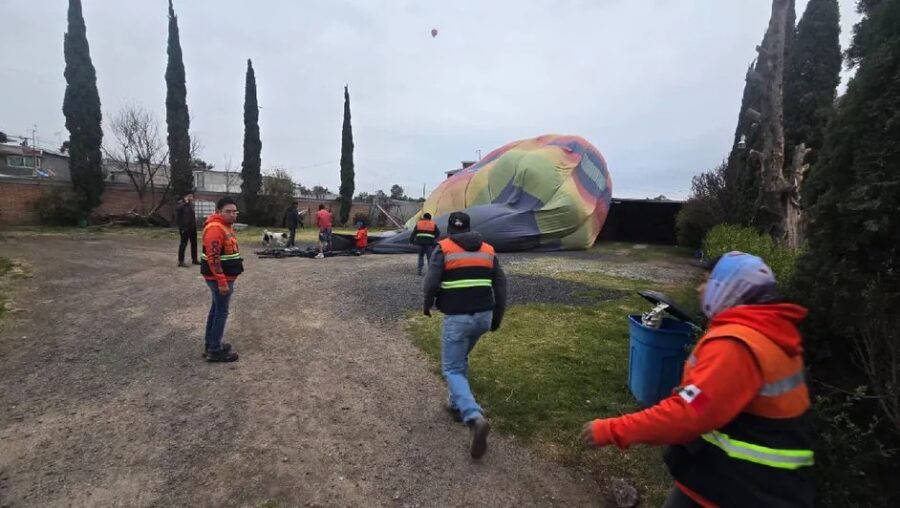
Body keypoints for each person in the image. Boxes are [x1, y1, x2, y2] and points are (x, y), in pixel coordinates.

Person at [580, 252, 814, 508]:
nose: (700, 288)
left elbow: (688, 413)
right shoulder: (767, 334)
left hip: (744, 490)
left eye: (707, 281)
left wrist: (611, 430)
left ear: (728, 288)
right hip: (729, 481)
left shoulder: (737, 345)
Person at [424, 211, 507, 459]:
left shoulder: (444, 247)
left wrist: (427, 304)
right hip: (483, 316)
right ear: (471, 228)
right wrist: (497, 317)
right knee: (460, 359)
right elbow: (501, 285)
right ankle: (454, 402)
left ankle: (472, 415)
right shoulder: (488, 250)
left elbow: (431, 281)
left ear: (450, 229)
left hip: (458, 318)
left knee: (451, 367)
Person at [199, 197, 243, 363]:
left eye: (234, 212)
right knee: (221, 312)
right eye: (228, 211)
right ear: (218, 212)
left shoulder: (225, 226)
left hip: (224, 277)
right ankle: (214, 350)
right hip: (219, 278)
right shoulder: (215, 228)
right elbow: (213, 257)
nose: (232, 215)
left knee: (216, 309)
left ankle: (211, 344)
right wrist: (222, 282)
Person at [175, 191, 199, 267]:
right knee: (183, 244)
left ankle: (194, 259)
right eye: (189, 196)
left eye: (192, 196)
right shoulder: (181, 203)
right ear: (186, 196)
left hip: (192, 227)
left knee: (194, 243)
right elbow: (177, 209)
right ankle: (181, 261)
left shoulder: (191, 205)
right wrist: (185, 202)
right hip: (184, 227)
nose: (191, 198)